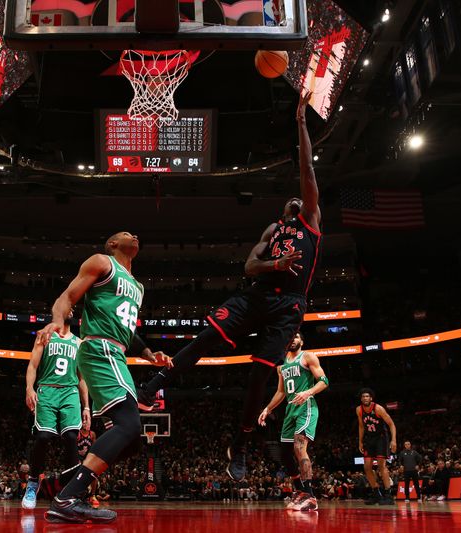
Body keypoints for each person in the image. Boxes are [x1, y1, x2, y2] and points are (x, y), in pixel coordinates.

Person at [138, 92, 325, 482]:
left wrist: (302, 123)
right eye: (291, 198)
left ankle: (240, 444)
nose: (298, 196)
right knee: (206, 337)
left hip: (289, 305)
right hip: (258, 294)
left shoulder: (310, 220)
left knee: (259, 377)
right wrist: (275, 262)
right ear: (282, 209)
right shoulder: (273, 229)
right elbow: (249, 265)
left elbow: (307, 169)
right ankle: (155, 383)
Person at [36, 232, 171, 523]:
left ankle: (66, 482)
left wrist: (148, 353)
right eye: (125, 233)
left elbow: (127, 327)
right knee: (129, 424)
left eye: (136, 234)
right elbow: (67, 297)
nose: (134, 235)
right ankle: (68, 497)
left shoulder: (137, 286)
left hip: (117, 352)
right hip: (100, 347)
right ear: (111, 244)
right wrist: (57, 322)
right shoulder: (102, 262)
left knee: (131, 441)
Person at [22, 310, 91, 510]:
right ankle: (33, 482)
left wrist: (86, 406)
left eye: (71, 307)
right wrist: (29, 388)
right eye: (65, 307)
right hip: (47, 389)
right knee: (43, 437)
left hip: (70, 392)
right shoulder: (45, 335)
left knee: (71, 436)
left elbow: (81, 377)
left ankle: (72, 491)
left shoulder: (79, 343)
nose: (68, 310)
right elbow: (33, 365)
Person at [257, 332, 328, 511]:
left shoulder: (308, 356)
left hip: (306, 407)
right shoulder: (281, 365)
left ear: (301, 341)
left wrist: (308, 392)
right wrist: (268, 409)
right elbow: (281, 392)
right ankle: (300, 491)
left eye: (296, 337)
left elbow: (324, 381)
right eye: (290, 337)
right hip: (290, 409)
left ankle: (310, 496)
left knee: (299, 447)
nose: (293, 339)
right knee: (285, 454)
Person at [356, 388, 396, 505]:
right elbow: (361, 426)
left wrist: (393, 440)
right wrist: (360, 441)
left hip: (381, 438)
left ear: (371, 398)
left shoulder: (378, 408)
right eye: (363, 396)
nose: (365, 398)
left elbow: (391, 424)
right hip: (369, 439)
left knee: (381, 465)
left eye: (367, 396)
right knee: (367, 467)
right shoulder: (359, 410)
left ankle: (388, 494)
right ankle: (376, 493)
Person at [76, 424, 100, 507]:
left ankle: (92, 495)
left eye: (86, 421)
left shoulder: (92, 434)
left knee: (94, 475)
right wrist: (78, 460)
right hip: (78, 458)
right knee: (77, 476)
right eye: (83, 421)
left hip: (88, 457)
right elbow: (74, 448)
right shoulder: (78, 433)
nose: (85, 423)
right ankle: (77, 495)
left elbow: (95, 447)